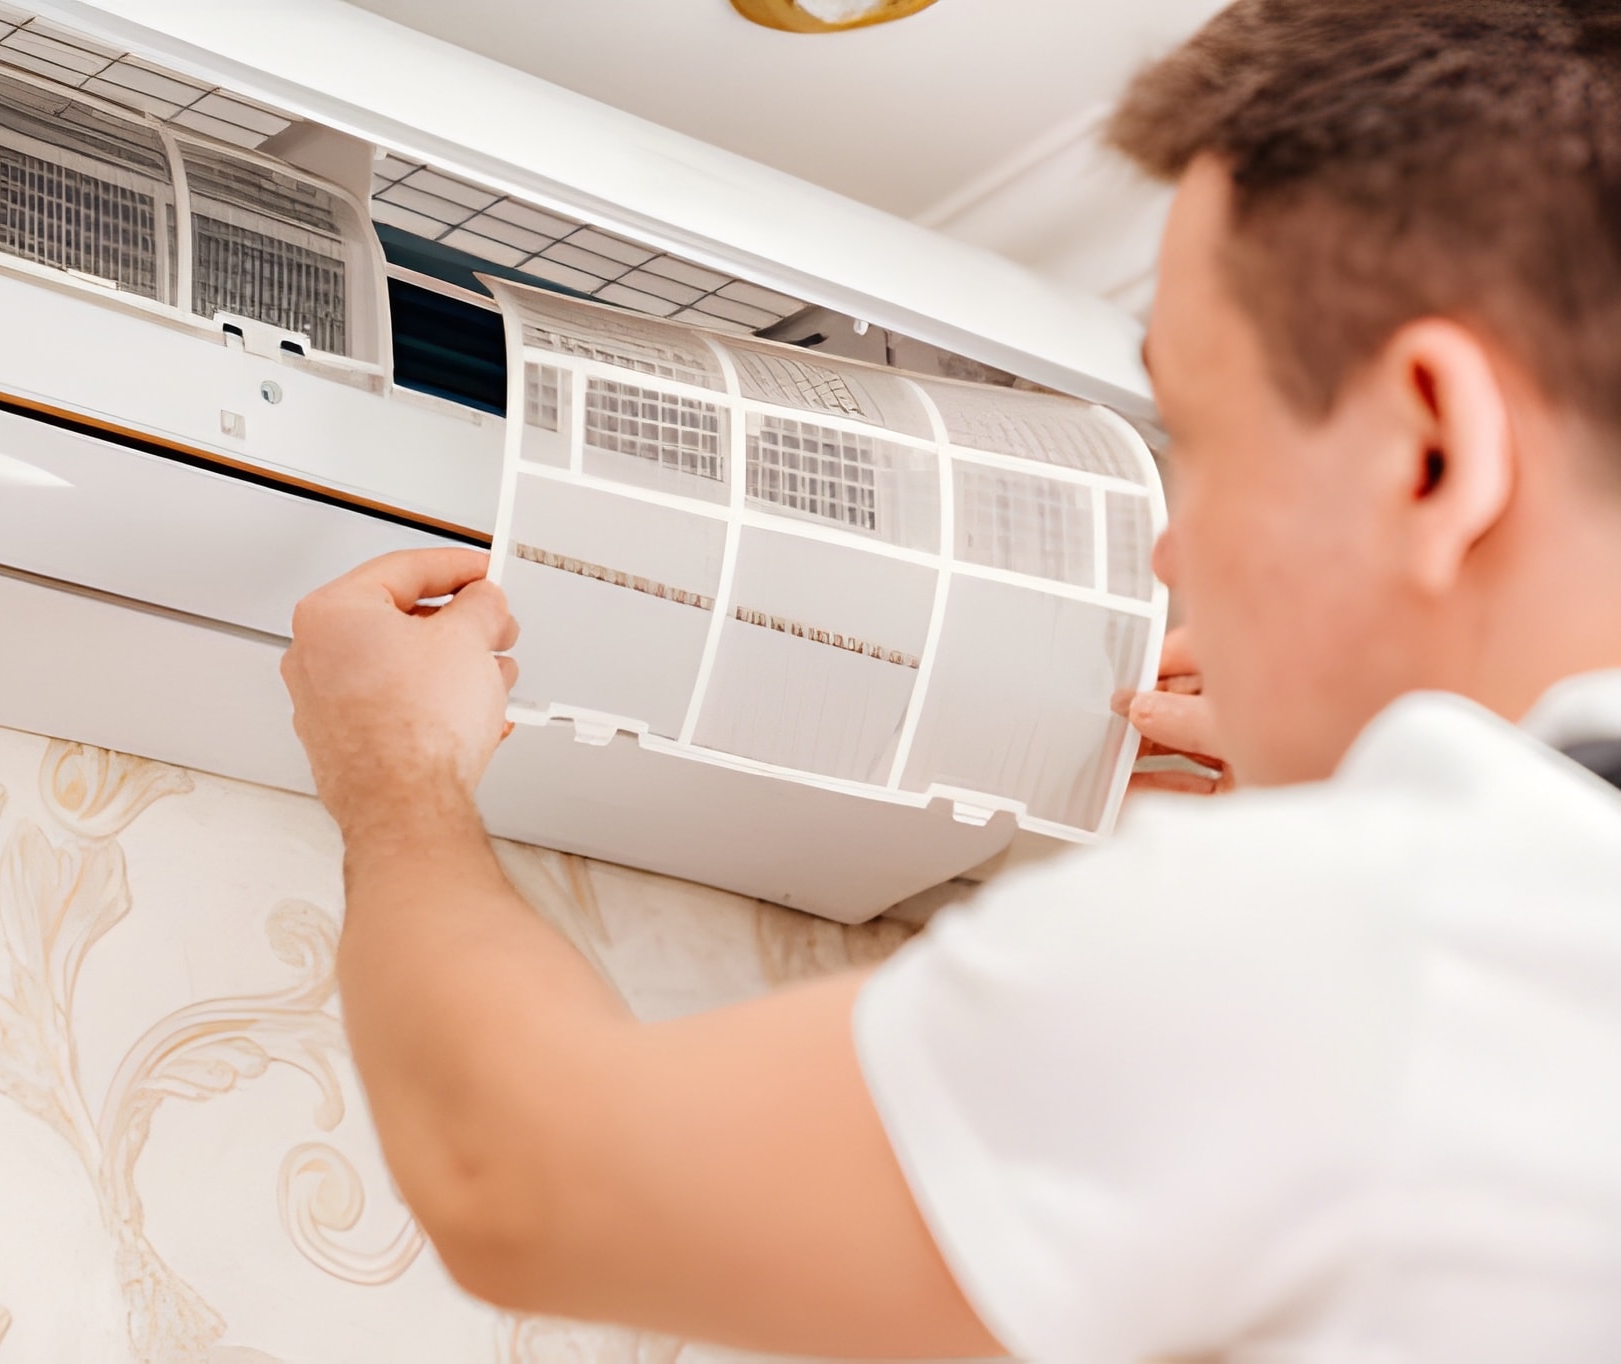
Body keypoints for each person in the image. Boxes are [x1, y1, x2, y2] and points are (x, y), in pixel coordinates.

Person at [280, 0, 1621, 1356]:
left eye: (1204, 439)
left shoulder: (1403, 945)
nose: (1172, 542)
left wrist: (395, 774)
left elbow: (516, 1178)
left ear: (1429, 450)